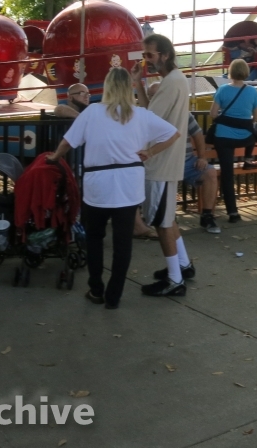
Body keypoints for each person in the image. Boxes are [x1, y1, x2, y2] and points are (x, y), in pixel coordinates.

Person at [45, 67, 179, 309]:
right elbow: (173, 134)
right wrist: (149, 152)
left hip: (99, 184)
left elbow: (67, 142)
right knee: (122, 242)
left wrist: (54, 157)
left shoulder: (93, 112)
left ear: (106, 87)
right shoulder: (140, 114)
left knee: (95, 238)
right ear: (128, 88)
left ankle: (96, 288)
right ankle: (114, 295)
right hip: (129, 184)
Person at [131, 33, 193, 297]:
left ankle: (174, 279)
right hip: (165, 161)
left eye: (150, 55)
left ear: (165, 55)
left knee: (161, 222)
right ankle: (182, 265)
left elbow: (147, 119)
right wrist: (138, 83)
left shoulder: (171, 83)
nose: (147, 61)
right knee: (167, 218)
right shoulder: (174, 80)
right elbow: (151, 114)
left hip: (160, 162)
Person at [208, 58, 257, 227]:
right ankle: (248, 158)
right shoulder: (252, 91)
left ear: (230, 72)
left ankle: (233, 211)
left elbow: (213, 114)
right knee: (255, 130)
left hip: (223, 137)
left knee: (227, 173)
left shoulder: (223, 90)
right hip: (245, 137)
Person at [182, 113, 221, 234]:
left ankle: (207, 216)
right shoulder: (152, 110)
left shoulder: (184, 113)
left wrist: (202, 157)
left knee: (210, 172)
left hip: (187, 160)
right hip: (163, 163)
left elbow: (197, 134)